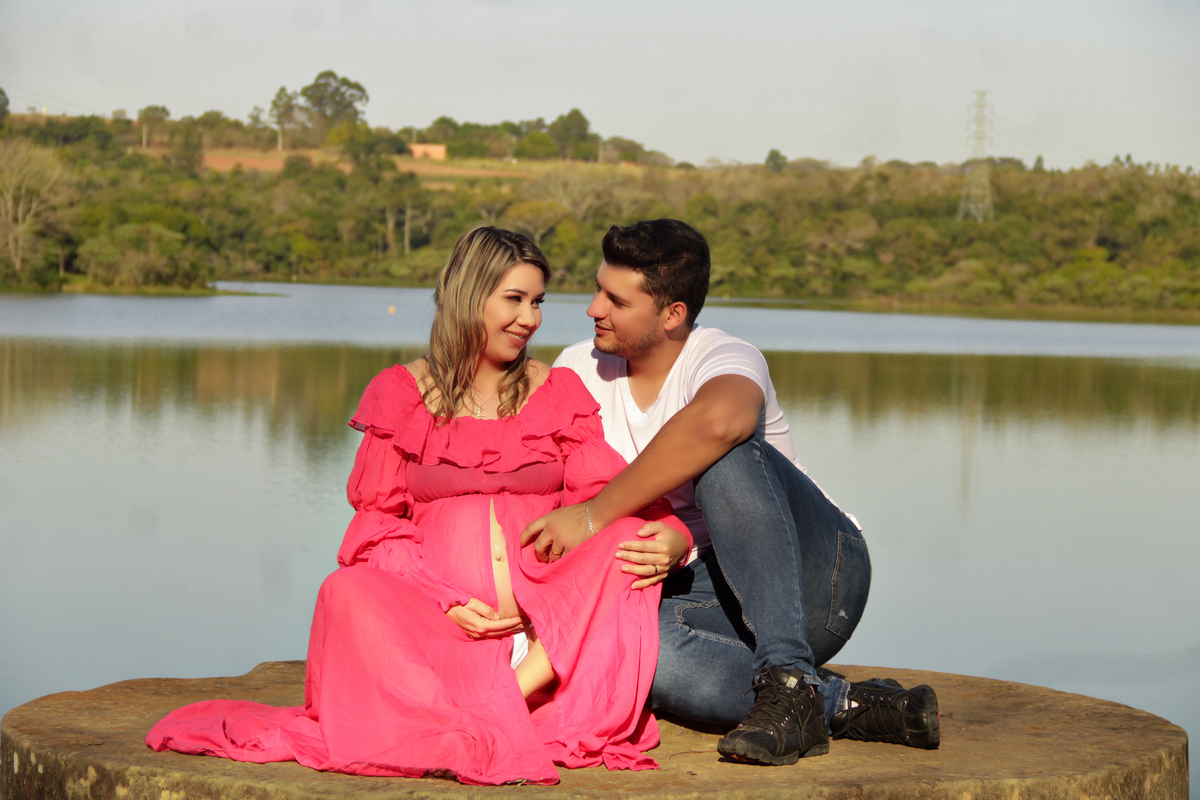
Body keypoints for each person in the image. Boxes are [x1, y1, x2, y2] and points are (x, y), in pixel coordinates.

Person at [146, 226, 691, 785]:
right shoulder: (400, 391)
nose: (530, 319)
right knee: (345, 589)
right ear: (467, 295)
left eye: (537, 302)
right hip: (438, 624)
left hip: (543, 633)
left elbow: (610, 495)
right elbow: (377, 522)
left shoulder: (559, 392)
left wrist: (676, 535)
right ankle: (457, 699)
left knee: (626, 542)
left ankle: (510, 692)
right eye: (514, 299)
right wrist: (446, 598)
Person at [523, 219, 940, 767]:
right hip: (700, 589)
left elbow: (720, 423)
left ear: (673, 314)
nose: (593, 308)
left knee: (726, 451)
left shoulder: (724, 356)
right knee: (642, 655)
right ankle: (839, 702)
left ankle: (789, 671)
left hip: (817, 574)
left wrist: (601, 517)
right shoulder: (578, 367)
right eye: (598, 289)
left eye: (616, 300)